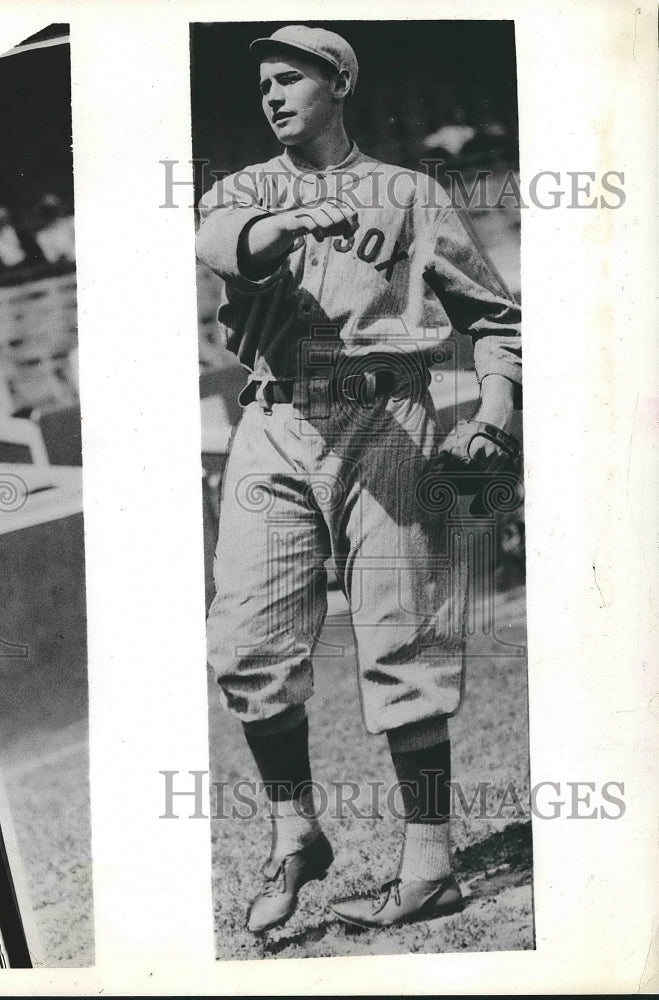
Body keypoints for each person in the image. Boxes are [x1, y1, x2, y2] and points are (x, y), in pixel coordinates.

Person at [195, 25, 522, 935]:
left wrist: (493, 413)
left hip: (387, 419)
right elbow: (221, 243)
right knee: (245, 647)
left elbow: (494, 318)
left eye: (289, 77)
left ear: (337, 83)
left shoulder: (410, 195)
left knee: (399, 643)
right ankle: (295, 832)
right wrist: (283, 223)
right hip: (273, 418)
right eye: (261, 82)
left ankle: (430, 865)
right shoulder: (246, 189)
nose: (270, 94)